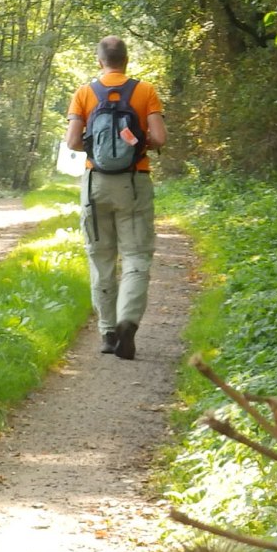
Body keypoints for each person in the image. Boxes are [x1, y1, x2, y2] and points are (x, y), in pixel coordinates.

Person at [65, 36, 167, 360]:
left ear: (100, 61)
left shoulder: (84, 93)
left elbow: (72, 143)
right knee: (136, 256)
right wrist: (136, 143)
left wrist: (97, 145)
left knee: (101, 258)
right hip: (134, 182)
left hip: (96, 184)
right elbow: (160, 138)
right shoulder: (145, 91)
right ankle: (128, 321)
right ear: (126, 60)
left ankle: (108, 333)